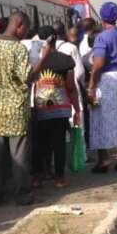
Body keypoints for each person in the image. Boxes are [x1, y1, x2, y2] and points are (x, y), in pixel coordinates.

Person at [0, 11, 47, 205]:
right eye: (25, 29)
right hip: (16, 106)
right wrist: (44, 58)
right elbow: (27, 76)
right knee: (19, 152)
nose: (25, 33)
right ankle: (22, 194)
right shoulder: (17, 49)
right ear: (19, 25)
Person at [86, 2, 117, 172]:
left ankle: (104, 160)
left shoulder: (102, 37)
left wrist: (91, 85)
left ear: (102, 16)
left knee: (100, 118)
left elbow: (98, 63)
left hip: (106, 79)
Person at [31, 26, 78, 188]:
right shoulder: (65, 60)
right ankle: (59, 178)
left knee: (39, 143)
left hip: (39, 108)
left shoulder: (34, 60)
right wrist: (77, 109)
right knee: (59, 143)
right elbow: (71, 87)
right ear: (55, 38)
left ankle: (39, 175)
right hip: (61, 109)